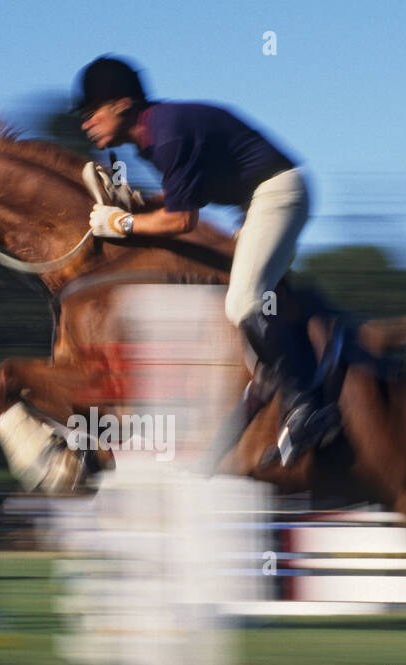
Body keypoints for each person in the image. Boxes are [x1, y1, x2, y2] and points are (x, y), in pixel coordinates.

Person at [73, 54, 330, 467]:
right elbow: (186, 197)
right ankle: (284, 375)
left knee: (244, 301)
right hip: (260, 200)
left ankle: (308, 405)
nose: (86, 124)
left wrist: (122, 223)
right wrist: (139, 206)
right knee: (238, 303)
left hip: (278, 193)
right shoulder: (153, 136)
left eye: (91, 112)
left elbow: (182, 220)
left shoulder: (166, 134)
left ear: (122, 104)